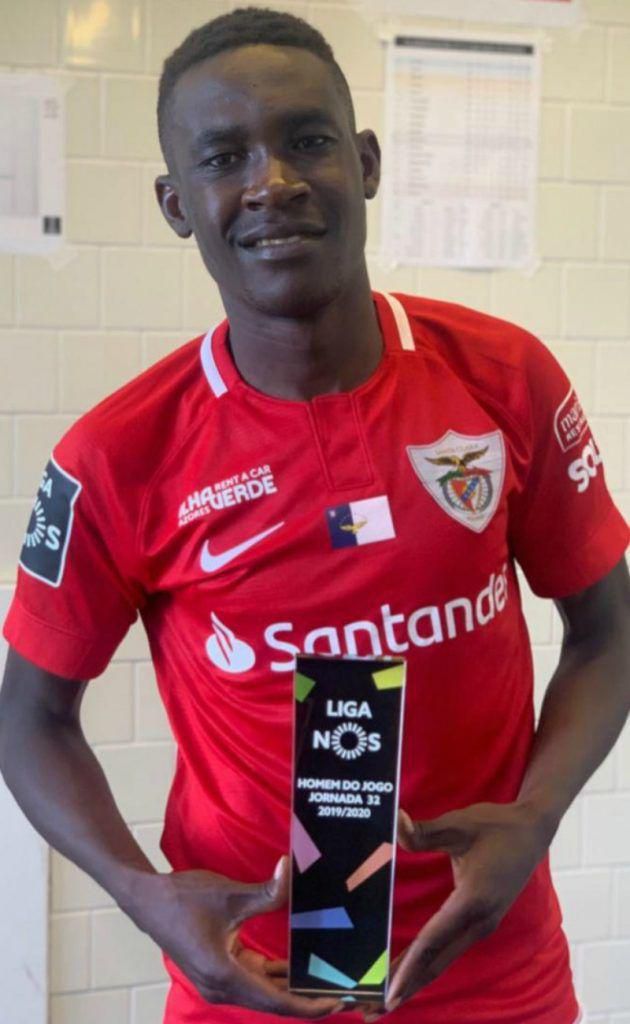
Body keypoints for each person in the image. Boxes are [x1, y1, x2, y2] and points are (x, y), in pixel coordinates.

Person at [0, 7, 628, 1024]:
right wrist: (142, 893)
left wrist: (536, 816)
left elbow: (607, 630)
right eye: (224, 156)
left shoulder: (502, 379)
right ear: (175, 203)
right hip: (252, 982)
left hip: (491, 967)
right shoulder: (118, 456)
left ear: (366, 163)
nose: (272, 182)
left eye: (307, 139)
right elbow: (27, 718)